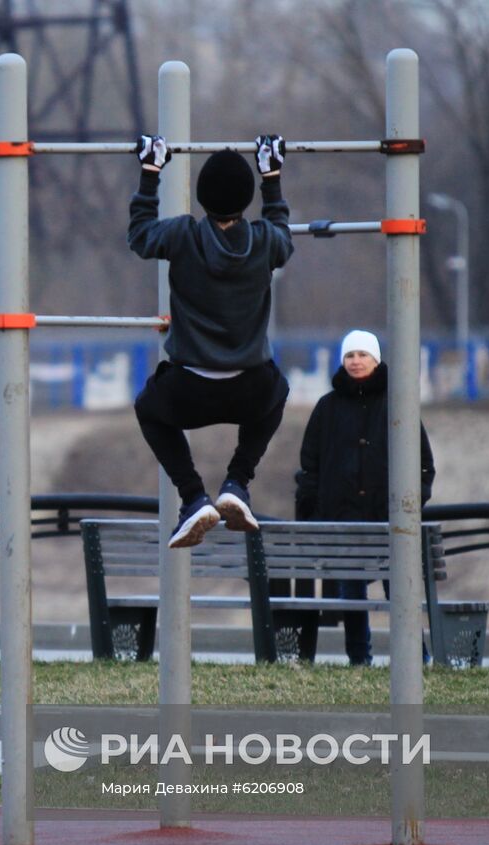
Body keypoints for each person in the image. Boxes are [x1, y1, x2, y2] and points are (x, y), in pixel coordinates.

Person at [128, 133, 294, 548]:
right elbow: (284, 235)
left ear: (202, 199)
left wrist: (151, 172)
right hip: (250, 386)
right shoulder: (264, 241)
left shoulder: (182, 235)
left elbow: (140, 235)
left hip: (190, 388)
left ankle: (193, 497)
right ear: (245, 201)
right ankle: (237, 482)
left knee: (149, 409)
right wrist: (271, 176)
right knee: (278, 390)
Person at [293, 330, 435, 665]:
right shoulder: (327, 408)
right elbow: (309, 467)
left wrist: (408, 508)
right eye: (349, 355)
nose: (355, 362)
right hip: (341, 520)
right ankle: (359, 659)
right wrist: (313, 512)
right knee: (351, 589)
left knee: (397, 590)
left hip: (387, 520)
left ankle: (417, 657)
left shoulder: (397, 405)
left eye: (363, 355)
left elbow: (423, 465)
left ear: (376, 359)